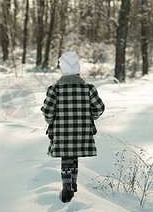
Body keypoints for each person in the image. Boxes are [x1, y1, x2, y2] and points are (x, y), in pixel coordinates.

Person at [41, 51, 105, 203]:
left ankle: (66, 187)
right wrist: (90, 116)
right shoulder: (89, 88)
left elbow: (48, 112)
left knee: (66, 157)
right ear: (78, 70)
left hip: (62, 132)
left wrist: (50, 121)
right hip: (82, 131)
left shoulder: (54, 89)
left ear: (63, 70)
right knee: (74, 155)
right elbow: (99, 108)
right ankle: (73, 184)